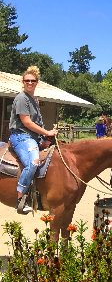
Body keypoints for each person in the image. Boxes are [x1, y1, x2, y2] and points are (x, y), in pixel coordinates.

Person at [9, 66, 58, 214]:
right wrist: (46, 132)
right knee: (33, 162)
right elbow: (27, 122)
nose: (30, 83)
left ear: (37, 82)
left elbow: (38, 122)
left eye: (33, 80)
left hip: (33, 137)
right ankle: (21, 198)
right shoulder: (22, 98)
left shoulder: (34, 100)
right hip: (21, 136)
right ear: (22, 82)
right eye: (27, 80)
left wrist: (46, 136)